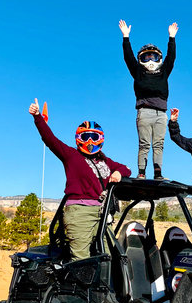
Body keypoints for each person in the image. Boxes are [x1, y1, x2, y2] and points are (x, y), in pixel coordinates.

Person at [28, 99, 131, 261]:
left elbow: (126, 169)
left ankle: (105, 286)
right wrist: (37, 117)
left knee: (108, 257)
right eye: (86, 136)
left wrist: (118, 172)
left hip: (102, 214)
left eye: (93, 136)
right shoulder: (71, 155)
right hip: (79, 212)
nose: (90, 141)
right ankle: (80, 285)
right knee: (81, 260)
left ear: (101, 139)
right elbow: (50, 139)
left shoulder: (106, 161)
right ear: (78, 138)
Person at [119, 20, 178, 180]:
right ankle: (142, 173)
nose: (150, 60)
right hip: (144, 112)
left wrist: (171, 38)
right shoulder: (138, 72)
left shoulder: (164, 71)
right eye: (146, 57)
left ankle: (158, 174)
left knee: (159, 144)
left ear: (159, 58)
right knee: (144, 144)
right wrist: (126, 37)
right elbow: (128, 57)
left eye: (153, 56)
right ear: (140, 59)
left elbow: (171, 57)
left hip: (161, 114)